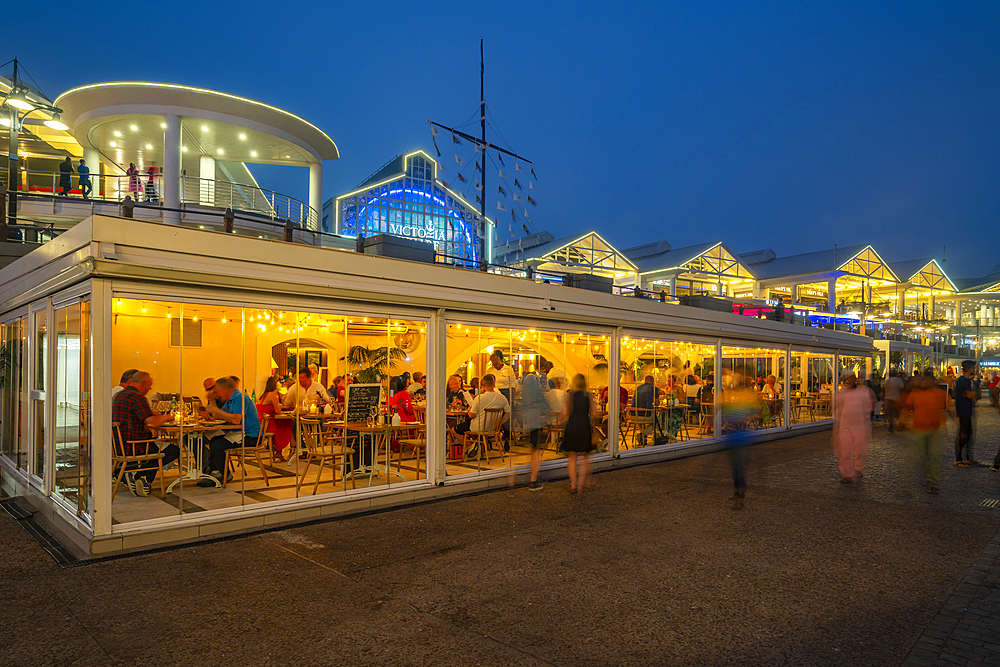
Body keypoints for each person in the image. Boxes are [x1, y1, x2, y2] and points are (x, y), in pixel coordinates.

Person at [111, 371, 177, 497]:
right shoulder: (137, 397)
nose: (150, 388)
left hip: (119, 446)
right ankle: (142, 476)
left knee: (159, 444)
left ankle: (128, 471)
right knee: (173, 450)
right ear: (144, 383)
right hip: (136, 446)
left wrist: (157, 415)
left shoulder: (119, 395)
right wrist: (168, 417)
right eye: (150, 385)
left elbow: (141, 415)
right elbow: (153, 422)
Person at [202, 376, 260, 485]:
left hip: (251, 436)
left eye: (218, 391)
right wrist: (213, 403)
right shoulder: (229, 401)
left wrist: (216, 410)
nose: (217, 394)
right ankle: (215, 473)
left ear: (224, 390)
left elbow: (236, 419)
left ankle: (224, 475)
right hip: (238, 433)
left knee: (217, 445)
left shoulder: (240, 398)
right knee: (213, 441)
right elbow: (218, 416)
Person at [902, 371, 952, 494]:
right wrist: (903, 420)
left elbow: (951, 408)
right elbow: (907, 407)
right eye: (921, 380)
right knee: (923, 456)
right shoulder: (915, 394)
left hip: (938, 429)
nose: (922, 382)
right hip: (919, 428)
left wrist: (957, 422)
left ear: (932, 381)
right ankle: (928, 477)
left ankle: (933, 482)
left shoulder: (941, 394)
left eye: (925, 380)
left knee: (935, 456)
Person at [721, 374, 761, 509]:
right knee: (735, 468)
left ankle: (740, 496)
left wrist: (744, 418)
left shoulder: (747, 398)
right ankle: (738, 490)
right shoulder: (736, 398)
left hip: (742, 437)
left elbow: (756, 413)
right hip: (733, 436)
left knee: (739, 468)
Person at [449, 373, 510, 460]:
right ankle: (476, 444)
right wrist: (499, 423)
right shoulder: (502, 398)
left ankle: (472, 445)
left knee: (453, 430)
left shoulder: (480, 398)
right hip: (492, 429)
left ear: (483, 385)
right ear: (494, 384)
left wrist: (470, 410)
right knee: (467, 425)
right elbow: (508, 413)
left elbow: (471, 415)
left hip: (477, 427)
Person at [832, 373, 876, 484]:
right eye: (849, 379)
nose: (853, 381)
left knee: (861, 449)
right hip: (846, 425)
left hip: (860, 425)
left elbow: (868, 408)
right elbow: (837, 406)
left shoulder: (863, 392)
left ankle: (858, 469)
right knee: (846, 451)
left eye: (854, 378)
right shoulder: (842, 393)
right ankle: (847, 475)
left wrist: (867, 423)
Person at [560, 373, 599, 495]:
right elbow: (594, 412)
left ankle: (573, 484)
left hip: (572, 425)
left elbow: (564, 413)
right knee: (585, 457)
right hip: (584, 425)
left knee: (572, 457)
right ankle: (581, 486)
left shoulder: (568, 396)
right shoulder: (588, 395)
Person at [518, 369, 550, 491]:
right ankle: (533, 479)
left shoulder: (524, 387)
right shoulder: (532, 384)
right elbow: (540, 399)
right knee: (535, 448)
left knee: (533, 447)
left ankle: (535, 473)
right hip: (534, 419)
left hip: (528, 418)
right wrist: (547, 410)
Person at [256, 377, 292, 462]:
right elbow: (278, 411)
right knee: (287, 425)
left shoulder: (263, 395)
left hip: (261, 422)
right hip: (267, 423)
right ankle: (281, 450)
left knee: (286, 424)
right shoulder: (273, 394)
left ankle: (279, 451)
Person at [954, 360, 977, 467]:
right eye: (973, 368)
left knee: (968, 432)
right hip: (963, 410)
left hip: (965, 409)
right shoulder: (964, 381)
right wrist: (974, 393)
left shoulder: (965, 380)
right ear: (969, 369)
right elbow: (970, 395)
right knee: (964, 433)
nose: (974, 369)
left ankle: (967, 457)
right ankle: (959, 459)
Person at [630, 375, 660, 445]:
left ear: (644, 381)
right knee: (658, 420)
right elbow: (657, 403)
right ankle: (643, 435)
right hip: (644, 415)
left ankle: (643, 438)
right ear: (653, 382)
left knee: (640, 420)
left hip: (633, 415)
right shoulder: (654, 388)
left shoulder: (638, 388)